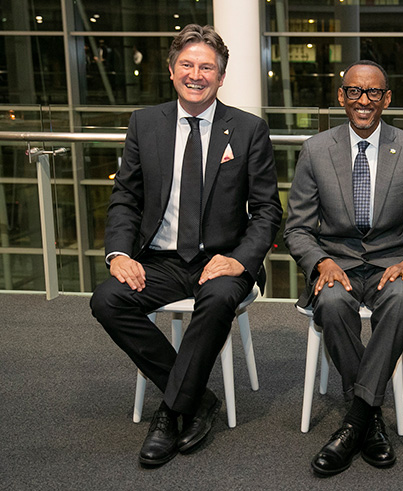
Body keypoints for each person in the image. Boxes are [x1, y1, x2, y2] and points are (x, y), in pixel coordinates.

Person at [90, 24, 283, 467]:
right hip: (159, 258)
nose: (196, 75)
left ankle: (171, 410)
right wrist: (119, 254)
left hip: (222, 259)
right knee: (106, 300)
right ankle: (197, 398)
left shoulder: (249, 129)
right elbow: (127, 196)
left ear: (221, 75)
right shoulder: (145, 123)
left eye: (207, 67)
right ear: (172, 70)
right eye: (188, 65)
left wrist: (239, 261)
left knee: (215, 301)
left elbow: (269, 212)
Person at [283, 60, 403, 477]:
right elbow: (297, 229)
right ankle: (371, 418)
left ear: (387, 98)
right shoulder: (316, 150)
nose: (363, 100)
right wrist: (320, 262)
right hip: (335, 262)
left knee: (401, 298)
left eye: (373, 92)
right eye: (354, 91)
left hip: (390, 263)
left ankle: (355, 419)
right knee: (334, 304)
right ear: (341, 97)